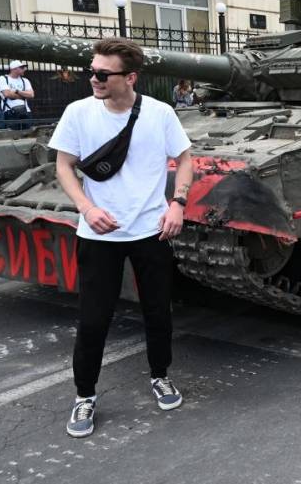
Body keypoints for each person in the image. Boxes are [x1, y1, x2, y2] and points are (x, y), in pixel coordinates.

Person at [48, 38, 193, 438]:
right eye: (92, 71)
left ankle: (160, 375)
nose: (93, 79)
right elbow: (63, 166)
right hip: (98, 234)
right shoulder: (78, 112)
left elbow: (184, 159)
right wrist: (87, 208)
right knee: (93, 320)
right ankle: (84, 397)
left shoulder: (160, 113)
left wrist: (178, 202)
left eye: (102, 73)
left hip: (151, 230)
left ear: (130, 78)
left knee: (157, 313)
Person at [0, 59, 35, 129]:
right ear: (14, 69)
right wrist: (23, 96)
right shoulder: (3, 78)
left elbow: (31, 95)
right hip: (10, 112)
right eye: (22, 68)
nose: (24, 69)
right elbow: (7, 94)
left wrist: (17, 91)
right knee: (13, 135)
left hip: (26, 111)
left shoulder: (25, 80)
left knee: (28, 134)